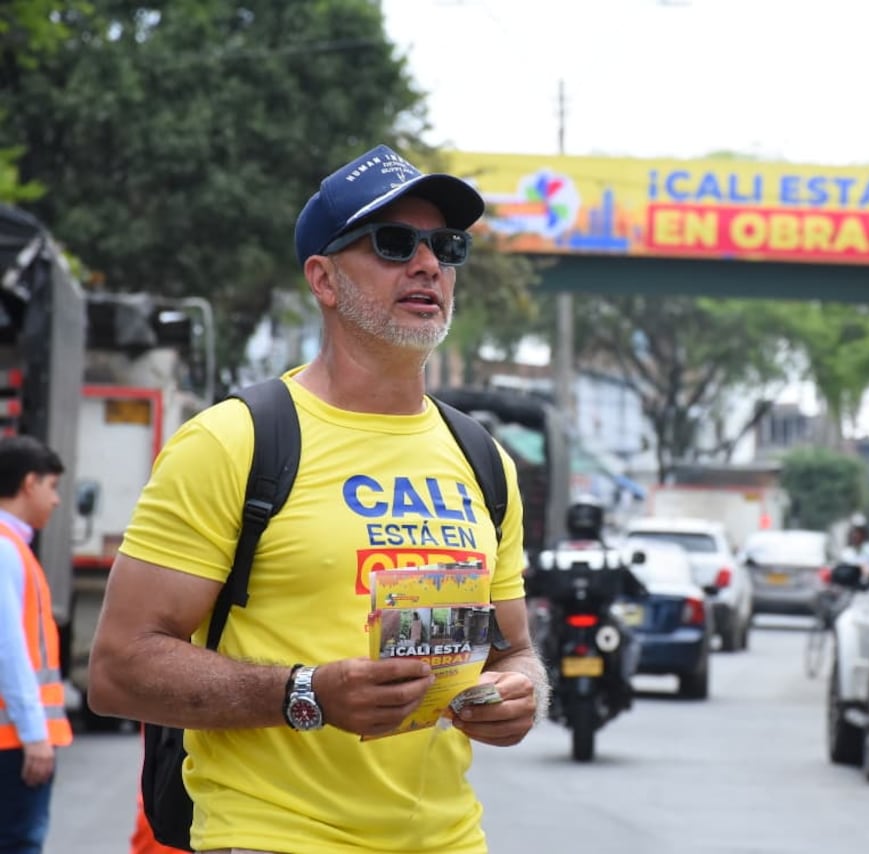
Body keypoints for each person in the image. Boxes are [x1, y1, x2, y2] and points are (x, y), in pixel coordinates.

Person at [87, 143, 548, 854]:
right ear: (324, 280)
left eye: (446, 247)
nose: (428, 265)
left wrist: (519, 692)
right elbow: (118, 669)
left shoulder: (482, 459)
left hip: (452, 840)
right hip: (275, 836)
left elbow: (512, 650)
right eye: (394, 244)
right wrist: (306, 694)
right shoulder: (234, 442)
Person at [0, 435, 72, 854]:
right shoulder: (7, 552)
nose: (57, 500)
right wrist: (34, 735)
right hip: (12, 741)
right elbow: (9, 649)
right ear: (29, 483)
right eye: (52, 486)